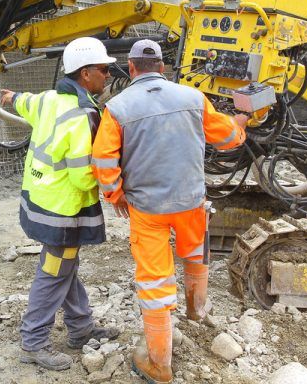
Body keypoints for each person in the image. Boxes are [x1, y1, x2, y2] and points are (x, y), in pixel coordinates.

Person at [91, 39, 248, 384]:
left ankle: (159, 364)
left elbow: (102, 160)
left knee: (156, 280)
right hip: (190, 200)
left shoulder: (116, 108)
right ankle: (196, 310)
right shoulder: (193, 97)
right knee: (194, 252)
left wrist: (115, 194)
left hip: (147, 208)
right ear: (163, 67)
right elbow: (229, 140)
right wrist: (241, 122)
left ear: (131, 69)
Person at [0, 36, 121, 371]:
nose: (107, 75)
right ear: (84, 75)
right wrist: (116, 180)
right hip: (63, 212)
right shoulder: (82, 116)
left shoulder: (49, 99)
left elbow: (24, 102)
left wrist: (11, 97)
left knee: (65, 267)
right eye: (102, 69)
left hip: (39, 201)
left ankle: (80, 328)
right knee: (54, 272)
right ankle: (33, 343)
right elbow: (83, 177)